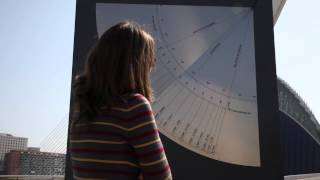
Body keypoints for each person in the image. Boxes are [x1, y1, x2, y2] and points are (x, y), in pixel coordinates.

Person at [69, 21, 172, 180]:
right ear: (136, 65)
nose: (152, 66)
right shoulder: (133, 107)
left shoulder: (82, 109)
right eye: (149, 61)